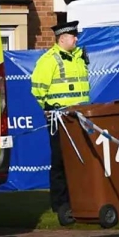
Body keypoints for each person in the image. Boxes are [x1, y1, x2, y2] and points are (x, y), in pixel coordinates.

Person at [30, 20, 90, 225]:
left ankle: (79, 200)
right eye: (74, 36)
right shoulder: (50, 60)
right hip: (59, 118)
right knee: (60, 162)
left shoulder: (79, 58)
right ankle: (60, 204)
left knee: (79, 161)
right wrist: (47, 110)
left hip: (79, 117)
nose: (77, 39)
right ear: (62, 38)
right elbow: (38, 89)